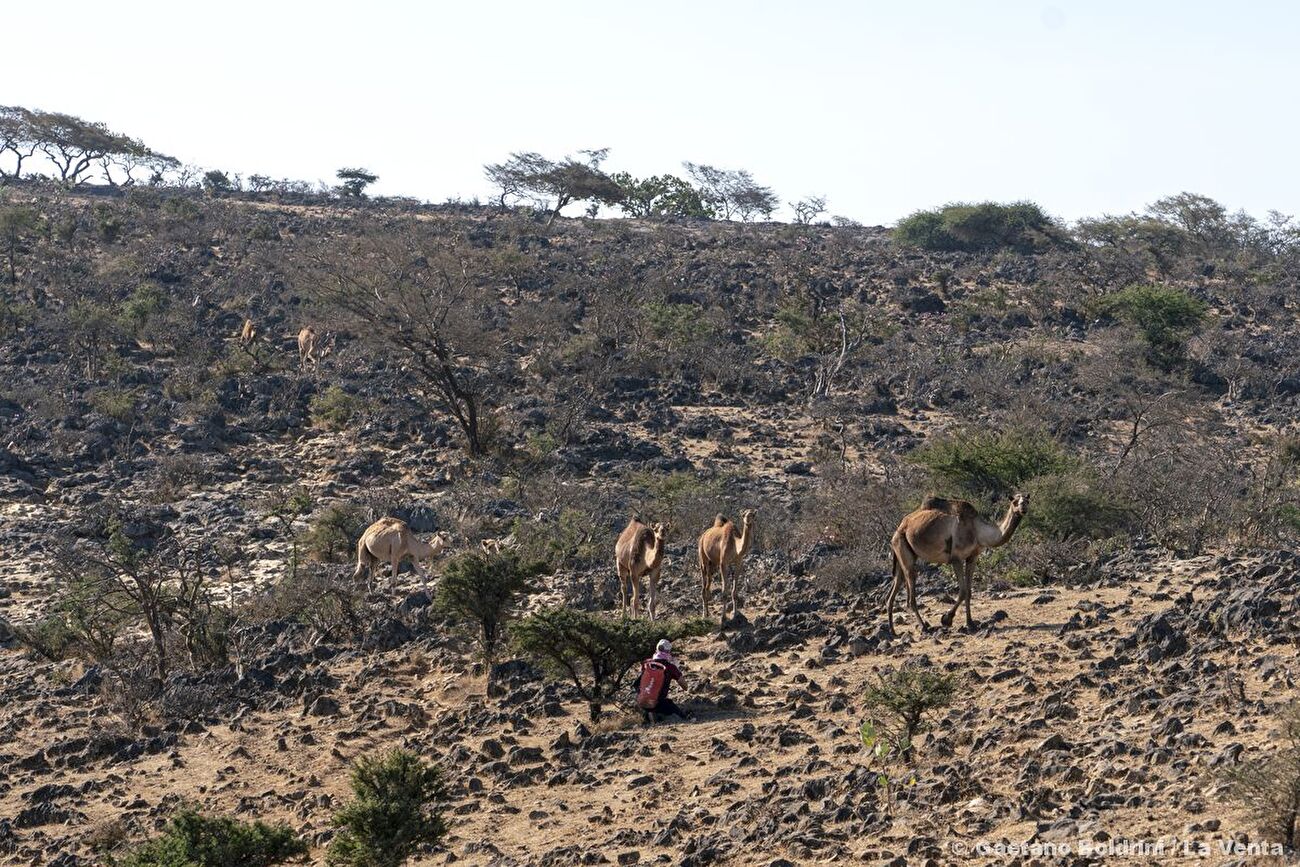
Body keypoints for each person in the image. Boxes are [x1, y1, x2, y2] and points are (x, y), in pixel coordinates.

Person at [635, 639, 693, 723]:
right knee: (678, 714)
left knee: (649, 709)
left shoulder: (647, 664)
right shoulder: (670, 667)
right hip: (660, 703)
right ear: (668, 651)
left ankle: (649, 714)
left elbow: (638, 683)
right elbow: (685, 686)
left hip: (642, 701)